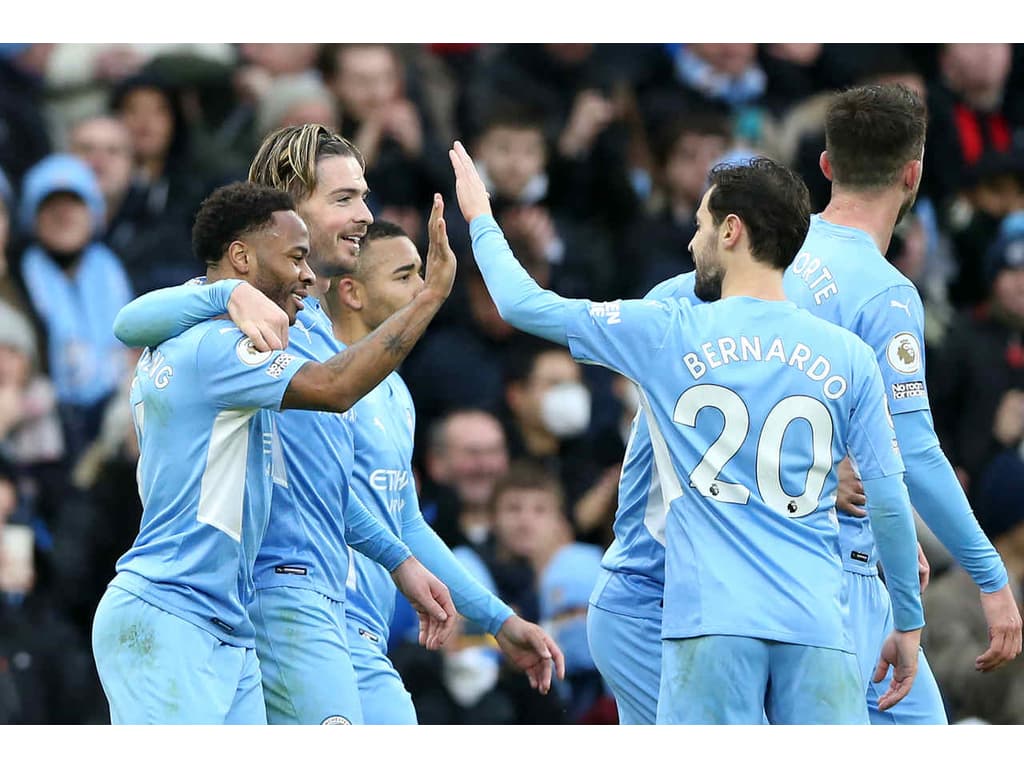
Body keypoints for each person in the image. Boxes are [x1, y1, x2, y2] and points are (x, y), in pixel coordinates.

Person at [450, 141, 925, 724]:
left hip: (711, 623)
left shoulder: (668, 330)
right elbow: (890, 498)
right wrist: (906, 620)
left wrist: (480, 218)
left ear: (731, 231)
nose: (690, 241)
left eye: (700, 224)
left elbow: (522, 304)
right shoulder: (850, 356)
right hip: (818, 624)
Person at [110, 123, 556, 725]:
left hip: (303, 610)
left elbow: (337, 489)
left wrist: (416, 572)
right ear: (287, 207)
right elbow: (130, 321)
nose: (365, 214)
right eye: (343, 198)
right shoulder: (242, 333)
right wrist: (226, 297)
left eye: (364, 196)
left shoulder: (324, 344)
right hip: (258, 595)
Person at [93, 180, 458, 725]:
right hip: (172, 611)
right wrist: (428, 299)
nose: (309, 275)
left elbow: (307, 485)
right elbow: (336, 387)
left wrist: (399, 560)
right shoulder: (219, 348)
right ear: (241, 257)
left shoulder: (205, 337)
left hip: (225, 621)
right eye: (295, 257)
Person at [783, 83, 1022, 723]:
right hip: (830, 572)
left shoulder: (763, 254)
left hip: (771, 558)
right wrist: (991, 577)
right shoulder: (885, 294)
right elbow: (912, 450)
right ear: (914, 173)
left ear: (827, 166)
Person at [321, 220, 563, 723]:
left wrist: (499, 619)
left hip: (365, 636)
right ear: (352, 292)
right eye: (405, 275)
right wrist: (400, 563)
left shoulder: (396, 394)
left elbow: (406, 524)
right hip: (311, 626)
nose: (425, 289)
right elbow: (320, 496)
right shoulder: (316, 382)